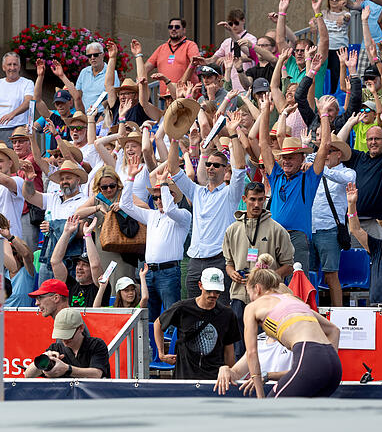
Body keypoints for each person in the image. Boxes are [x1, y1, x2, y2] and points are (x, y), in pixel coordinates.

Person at [169, 121, 246, 300]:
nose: (211, 167)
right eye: (209, 164)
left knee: (220, 309)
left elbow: (240, 168)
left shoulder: (230, 193)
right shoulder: (196, 191)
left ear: (225, 169)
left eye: (216, 165)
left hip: (219, 259)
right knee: (193, 308)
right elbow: (173, 169)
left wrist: (233, 134)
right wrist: (174, 138)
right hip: (195, 260)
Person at [241, 268, 341, 397]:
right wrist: (325, 360)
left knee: (269, 411)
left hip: (310, 356)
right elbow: (334, 330)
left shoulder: (253, 307)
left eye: (249, 293)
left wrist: (260, 397)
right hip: (333, 363)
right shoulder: (292, 299)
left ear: (257, 288)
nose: (251, 299)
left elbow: (252, 353)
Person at [259, 97, 331, 273]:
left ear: (302, 158)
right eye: (284, 157)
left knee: (297, 285)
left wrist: (323, 114)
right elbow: (263, 144)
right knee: (271, 284)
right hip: (273, 236)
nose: (286, 161)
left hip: (297, 238)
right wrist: (265, 112)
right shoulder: (276, 175)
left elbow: (326, 145)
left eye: (291, 157)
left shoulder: (309, 178)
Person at [222, 181, 295, 355]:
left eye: (260, 200)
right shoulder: (232, 229)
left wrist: (268, 278)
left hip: (268, 295)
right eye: (252, 199)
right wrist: (232, 273)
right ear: (244, 199)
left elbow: (289, 266)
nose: (256, 204)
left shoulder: (277, 230)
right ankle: (241, 377)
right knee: (239, 342)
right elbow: (228, 263)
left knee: (266, 343)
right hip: (240, 293)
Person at [120, 165, 191, 321]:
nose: (158, 200)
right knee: (149, 320)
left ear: (172, 195)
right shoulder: (151, 215)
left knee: (171, 319)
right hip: (149, 272)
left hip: (169, 272)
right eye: (155, 197)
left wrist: (164, 185)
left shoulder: (183, 215)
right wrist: (130, 178)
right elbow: (124, 205)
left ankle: (170, 346)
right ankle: (152, 346)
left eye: (161, 196)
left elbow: (171, 210)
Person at [154, 267, 240, 380]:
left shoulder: (227, 314)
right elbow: (158, 323)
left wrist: (230, 375)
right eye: (209, 290)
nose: (213, 294)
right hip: (185, 375)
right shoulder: (182, 308)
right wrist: (161, 354)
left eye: (217, 291)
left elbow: (229, 349)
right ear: (200, 285)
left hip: (214, 376)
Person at [310, 134, 356, 306]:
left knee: (331, 275)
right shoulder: (317, 171)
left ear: (339, 154)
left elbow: (342, 179)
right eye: (324, 151)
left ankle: (340, 315)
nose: (326, 154)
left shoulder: (348, 172)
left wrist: (319, 165)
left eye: (330, 151)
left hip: (330, 229)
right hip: (310, 228)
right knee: (308, 275)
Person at [24, 308, 110, 378]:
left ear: (81, 328)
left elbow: (96, 374)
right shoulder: (56, 349)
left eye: (69, 336)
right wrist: (45, 357)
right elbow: (28, 375)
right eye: (61, 336)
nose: (65, 340)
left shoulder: (96, 345)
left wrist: (67, 369)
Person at [50, 215, 107, 308]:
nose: (79, 268)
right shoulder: (71, 285)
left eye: (84, 265)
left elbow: (95, 265)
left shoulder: (100, 286)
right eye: (78, 264)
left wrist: (87, 235)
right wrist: (66, 233)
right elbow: (55, 262)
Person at [145, 18, 201, 97]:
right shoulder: (161, 48)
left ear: (184, 30)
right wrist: (139, 80)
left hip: (186, 95)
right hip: (166, 97)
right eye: (170, 27)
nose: (173, 29)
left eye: (177, 27)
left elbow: (195, 62)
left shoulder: (190, 45)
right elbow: (146, 67)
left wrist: (181, 83)